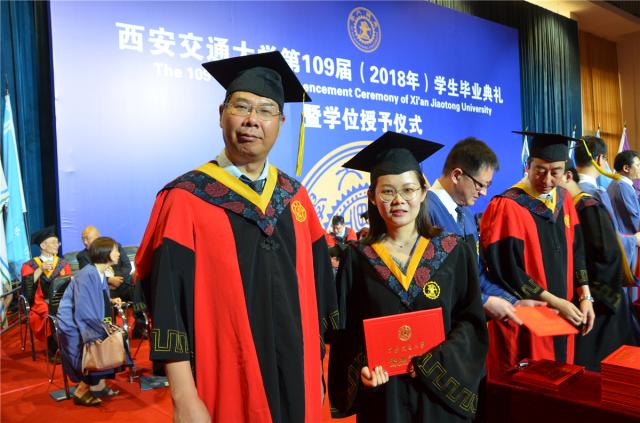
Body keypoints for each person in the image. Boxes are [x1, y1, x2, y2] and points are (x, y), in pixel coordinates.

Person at [136, 51, 338, 423]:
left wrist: (318, 371)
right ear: (221, 114)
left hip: (300, 381)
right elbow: (167, 304)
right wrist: (183, 396)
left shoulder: (295, 198)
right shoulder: (187, 198)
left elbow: (320, 295)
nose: (252, 120)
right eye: (241, 106)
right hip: (226, 383)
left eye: (265, 110)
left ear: (281, 122)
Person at [329, 132, 488, 422]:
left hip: (440, 399)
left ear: (423, 192)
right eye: (387, 191)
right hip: (385, 399)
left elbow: (471, 323)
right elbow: (346, 336)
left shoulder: (452, 251)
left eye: (408, 190)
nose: (398, 200)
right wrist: (362, 369)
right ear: (372, 197)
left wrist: (435, 363)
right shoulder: (358, 258)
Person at [480, 132, 594, 380]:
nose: (547, 180)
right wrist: (554, 302)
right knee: (530, 382)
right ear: (528, 165)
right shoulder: (508, 206)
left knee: (560, 379)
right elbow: (506, 270)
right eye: (540, 171)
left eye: (556, 172)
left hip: (563, 313)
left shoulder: (564, 200)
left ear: (566, 172)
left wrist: (585, 296)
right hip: (527, 317)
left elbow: (577, 250)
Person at [426, 137, 545, 325]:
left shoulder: (465, 214)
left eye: (487, 186)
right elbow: (431, 282)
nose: (483, 193)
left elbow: (477, 275)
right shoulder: (425, 211)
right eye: (480, 185)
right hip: (443, 325)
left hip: (467, 328)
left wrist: (514, 302)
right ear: (457, 175)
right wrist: (483, 302)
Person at [559, 166, 638, 370]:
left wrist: (587, 295)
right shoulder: (569, 208)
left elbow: (607, 257)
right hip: (584, 299)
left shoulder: (589, 208)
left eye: (554, 175)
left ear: (568, 176)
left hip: (602, 304)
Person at [57, 237, 129, 406]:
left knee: (113, 338)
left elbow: (95, 296)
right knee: (101, 342)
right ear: (105, 253)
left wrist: (110, 300)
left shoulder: (99, 272)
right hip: (74, 324)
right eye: (115, 250)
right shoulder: (88, 274)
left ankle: (98, 385)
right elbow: (83, 308)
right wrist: (95, 332)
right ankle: (82, 390)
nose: (119, 254)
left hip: (88, 318)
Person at [574, 137, 640, 271]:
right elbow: (607, 239)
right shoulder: (596, 195)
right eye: (605, 158)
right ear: (599, 159)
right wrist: (634, 240)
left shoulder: (566, 191)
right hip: (596, 270)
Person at [21, 226, 72, 361]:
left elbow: (69, 285)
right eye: (53, 242)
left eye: (57, 242)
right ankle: (54, 349)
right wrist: (40, 269)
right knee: (50, 313)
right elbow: (26, 290)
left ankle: (73, 346)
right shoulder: (30, 265)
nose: (57, 245)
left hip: (61, 300)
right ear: (43, 246)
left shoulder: (63, 264)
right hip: (40, 302)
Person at [77, 226, 133, 302]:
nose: (85, 242)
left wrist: (117, 279)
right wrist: (110, 280)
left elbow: (127, 266)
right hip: (104, 288)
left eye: (88, 239)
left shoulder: (114, 246)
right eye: (84, 239)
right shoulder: (85, 261)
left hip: (122, 282)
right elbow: (92, 280)